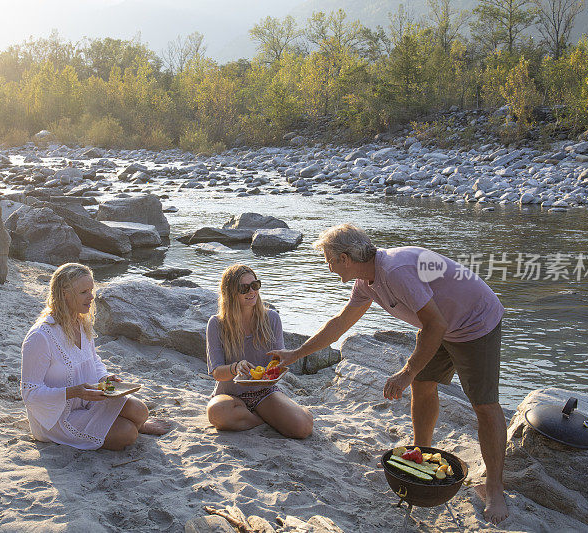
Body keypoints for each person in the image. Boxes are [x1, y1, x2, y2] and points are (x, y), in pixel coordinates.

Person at [269, 224, 509, 524]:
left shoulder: (395, 270)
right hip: (440, 325)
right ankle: (420, 456)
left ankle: (496, 488)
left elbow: (435, 325)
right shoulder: (366, 281)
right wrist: (295, 354)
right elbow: (340, 323)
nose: (328, 267)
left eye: (329, 260)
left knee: (484, 405)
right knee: (423, 385)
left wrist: (406, 371)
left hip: (475, 323)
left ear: (345, 258)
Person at [21, 263, 169, 450]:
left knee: (140, 411)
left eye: (91, 290)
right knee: (127, 433)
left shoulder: (80, 323)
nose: (91, 297)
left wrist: (104, 377)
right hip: (57, 417)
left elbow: (93, 360)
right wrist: (74, 392)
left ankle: (136, 426)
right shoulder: (40, 337)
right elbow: (30, 394)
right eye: (84, 292)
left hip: (88, 400)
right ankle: (131, 429)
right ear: (64, 294)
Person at [206, 264, 313, 439]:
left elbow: (278, 363)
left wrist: (281, 363)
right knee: (216, 412)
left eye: (255, 285)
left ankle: (267, 415)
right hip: (230, 394)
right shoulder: (217, 324)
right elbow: (217, 373)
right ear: (230, 293)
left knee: (303, 428)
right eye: (244, 288)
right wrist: (235, 368)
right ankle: (264, 419)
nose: (252, 292)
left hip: (264, 393)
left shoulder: (272, 318)